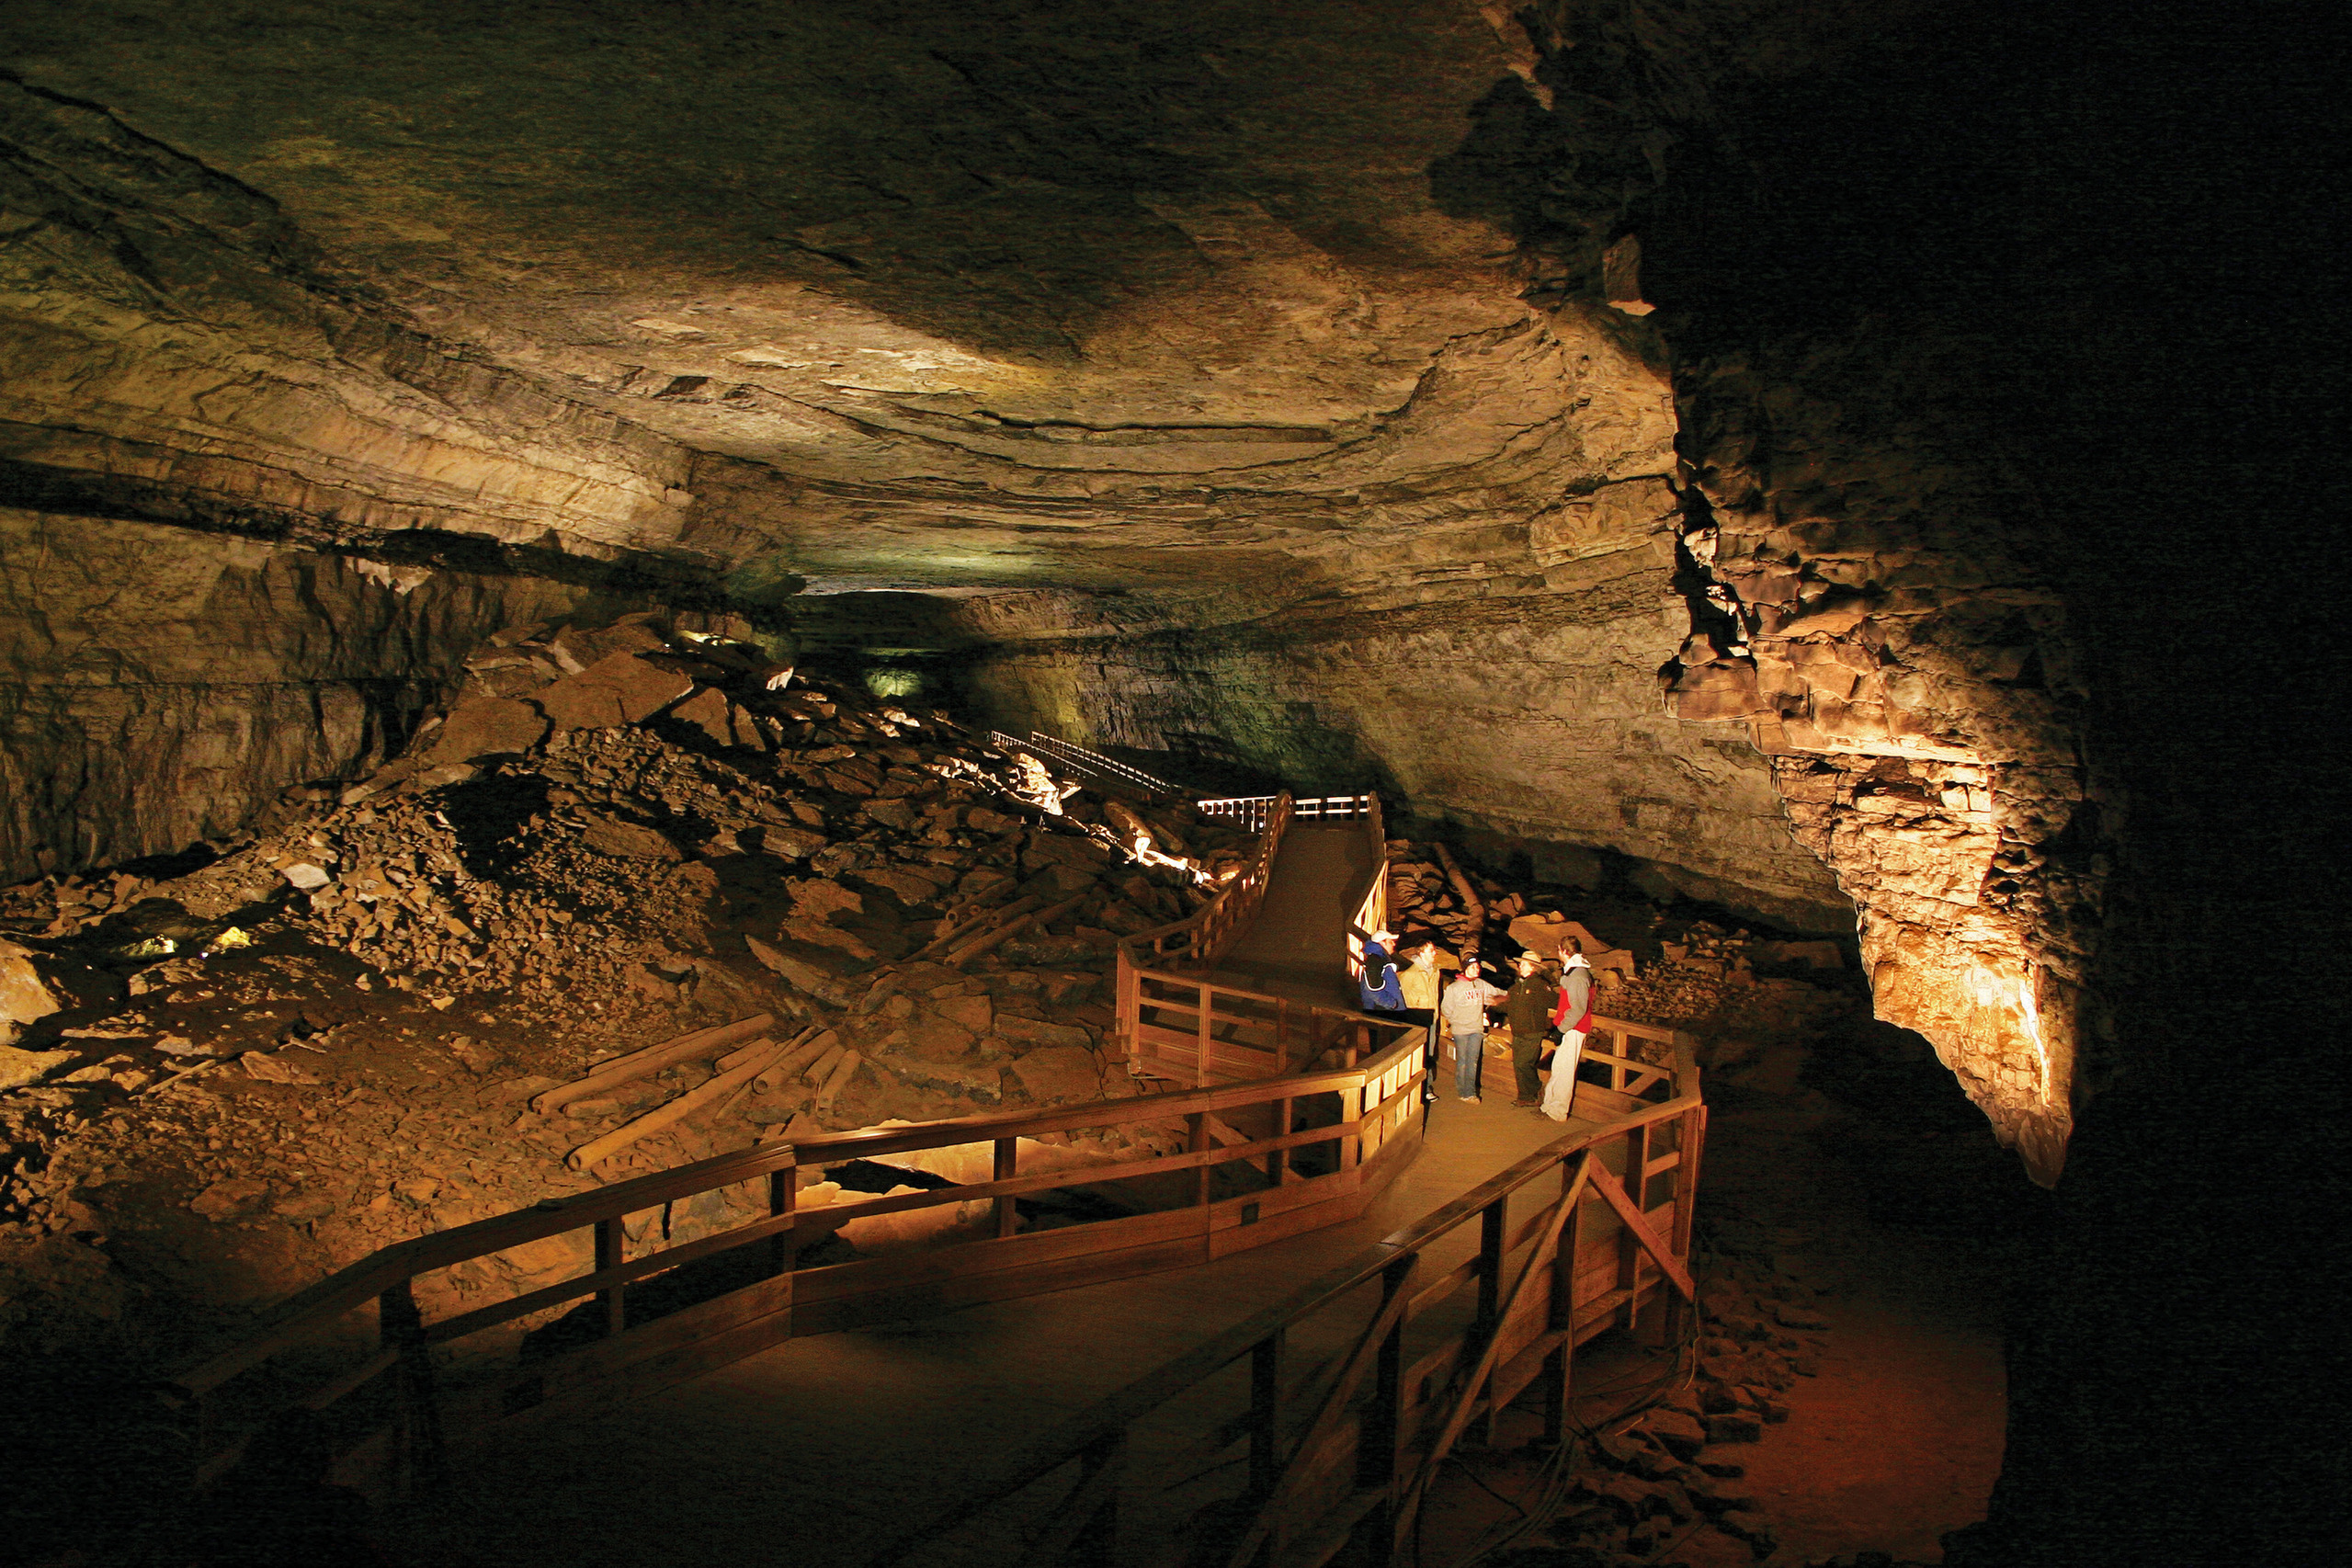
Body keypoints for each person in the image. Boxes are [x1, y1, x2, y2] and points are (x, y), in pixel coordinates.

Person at [1540, 938, 1595, 1121]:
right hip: (1569, 1026)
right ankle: (1549, 1105)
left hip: (1574, 1028)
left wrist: (1560, 1029)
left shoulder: (1578, 976)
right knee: (1559, 1067)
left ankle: (1558, 1111)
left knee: (1565, 1070)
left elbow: (1578, 1008)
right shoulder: (1574, 973)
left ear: (1562, 951)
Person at [1438, 962, 1506, 1102]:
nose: (1476, 969)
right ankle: (1462, 1091)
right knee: (1463, 1061)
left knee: (1473, 1061)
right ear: (1465, 969)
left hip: (1476, 1029)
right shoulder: (1454, 988)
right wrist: (1456, 1021)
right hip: (1460, 1030)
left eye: (1477, 967)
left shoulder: (1480, 984)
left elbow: (1497, 992)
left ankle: (1470, 1093)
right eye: (1472, 967)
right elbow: (1446, 1009)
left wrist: (1504, 997)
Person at [1504, 950, 1554, 1107]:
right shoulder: (1517, 986)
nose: (1520, 966)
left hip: (1532, 1032)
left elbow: (1555, 1002)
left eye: (1523, 964)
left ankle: (1536, 1090)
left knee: (1523, 1064)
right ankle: (1525, 1097)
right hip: (1518, 1031)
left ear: (1532, 967)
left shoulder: (1539, 985)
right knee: (1518, 1063)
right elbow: (1508, 1004)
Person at [1358, 927, 1406, 1014]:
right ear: (1382, 943)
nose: (1393, 944)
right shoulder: (1375, 960)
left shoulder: (1379, 959)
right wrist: (1392, 1004)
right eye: (1390, 941)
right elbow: (1373, 988)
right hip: (1384, 1012)